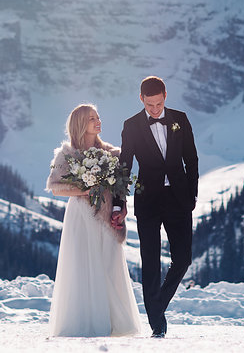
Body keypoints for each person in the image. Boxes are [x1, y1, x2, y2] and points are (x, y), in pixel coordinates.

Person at [111, 76, 198, 338]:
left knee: (183, 259)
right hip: (148, 200)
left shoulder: (180, 119)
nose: (155, 110)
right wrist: (119, 203)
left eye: (158, 104)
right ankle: (157, 325)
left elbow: (191, 159)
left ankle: (157, 305)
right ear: (141, 99)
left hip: (179, 199)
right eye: (150, 105)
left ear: (165, 96)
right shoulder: (131, 126)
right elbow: (124, 165)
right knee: (150, 263)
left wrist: (192, 195)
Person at [45, 104, 141, 337]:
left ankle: (117, 324)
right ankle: (84, 323)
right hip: (81, 216)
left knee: (109, 264)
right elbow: (55, 187)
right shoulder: (65, 154)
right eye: (91, 119)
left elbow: (120, 190)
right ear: (79, 124)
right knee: (83, 266)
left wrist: (122, 209)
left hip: (108, 217)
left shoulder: (113, 153)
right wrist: (84, 190)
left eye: (98, 117)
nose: (98, 121)